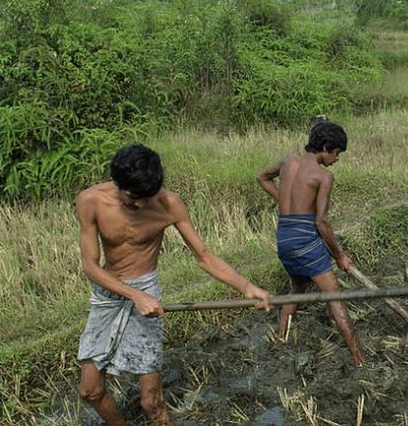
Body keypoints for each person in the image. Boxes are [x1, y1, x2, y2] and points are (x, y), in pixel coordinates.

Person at [76, 144, 270, 426]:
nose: (139, 205)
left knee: (151, 401)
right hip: (109, 294)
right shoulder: (91, 201)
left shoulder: (170, 205)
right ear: (117, 183)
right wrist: (134, 296)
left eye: (146, 197)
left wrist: (246, 287)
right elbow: (90, 266)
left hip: (146, 289)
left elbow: (203, 256)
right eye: (132, 197)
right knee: (90, 390)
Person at [256, 120, 365, 366]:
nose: (337, 159)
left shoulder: (286, 162)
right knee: (334, 297)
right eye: (336, 153)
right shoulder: (323, 176)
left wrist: (284, 201)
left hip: (284, 239)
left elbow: (261, 177)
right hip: (305, 241)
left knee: (297, 289)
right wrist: (340, 256)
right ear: (326, 147)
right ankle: (359, 360)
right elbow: (322, 222)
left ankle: (280, 338)